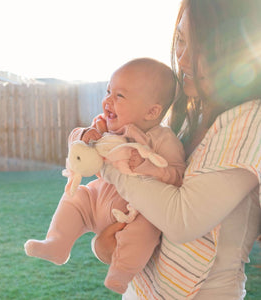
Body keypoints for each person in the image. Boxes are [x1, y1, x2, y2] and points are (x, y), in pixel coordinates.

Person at [94, 0, 261, 299]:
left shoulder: (251, 119)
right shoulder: (191, 115)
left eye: (201, 50)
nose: (182, 59)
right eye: (181, 40)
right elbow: (154, 198)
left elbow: (182, 220)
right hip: (143, 290)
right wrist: (120, 246)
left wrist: (106, 160)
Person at [24, 58, 186, 294]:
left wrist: (148, 167)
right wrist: (84, 135)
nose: (108, 100)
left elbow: (177, 175)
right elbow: (76, 146)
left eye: (119, 96)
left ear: (152, 111)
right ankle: (57, 244)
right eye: (108, 91)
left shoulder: (163, 140)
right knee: (76, 195)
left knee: (146, 231)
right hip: (98, 199)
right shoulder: (102, 126)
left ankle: (121, 273)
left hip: (132, 213)